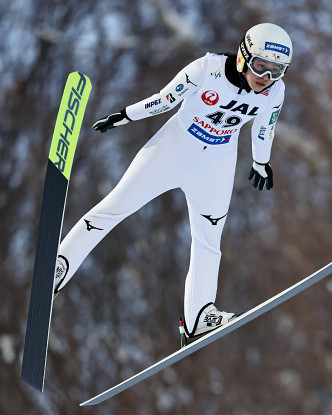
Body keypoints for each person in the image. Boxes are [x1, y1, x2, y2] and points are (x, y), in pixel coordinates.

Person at [53, 23, 293, 339]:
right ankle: (60, 264)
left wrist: (261, 162)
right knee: (115, 206)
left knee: (209, 239)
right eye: (261, 66)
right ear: (244, 56)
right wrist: (126, 115)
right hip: (172, 150)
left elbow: (265, 127)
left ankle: (199, 315)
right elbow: (165, 99)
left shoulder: (275, 92)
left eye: (276, 70)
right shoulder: (207, 68)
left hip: (215, 164)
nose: (266, 76)